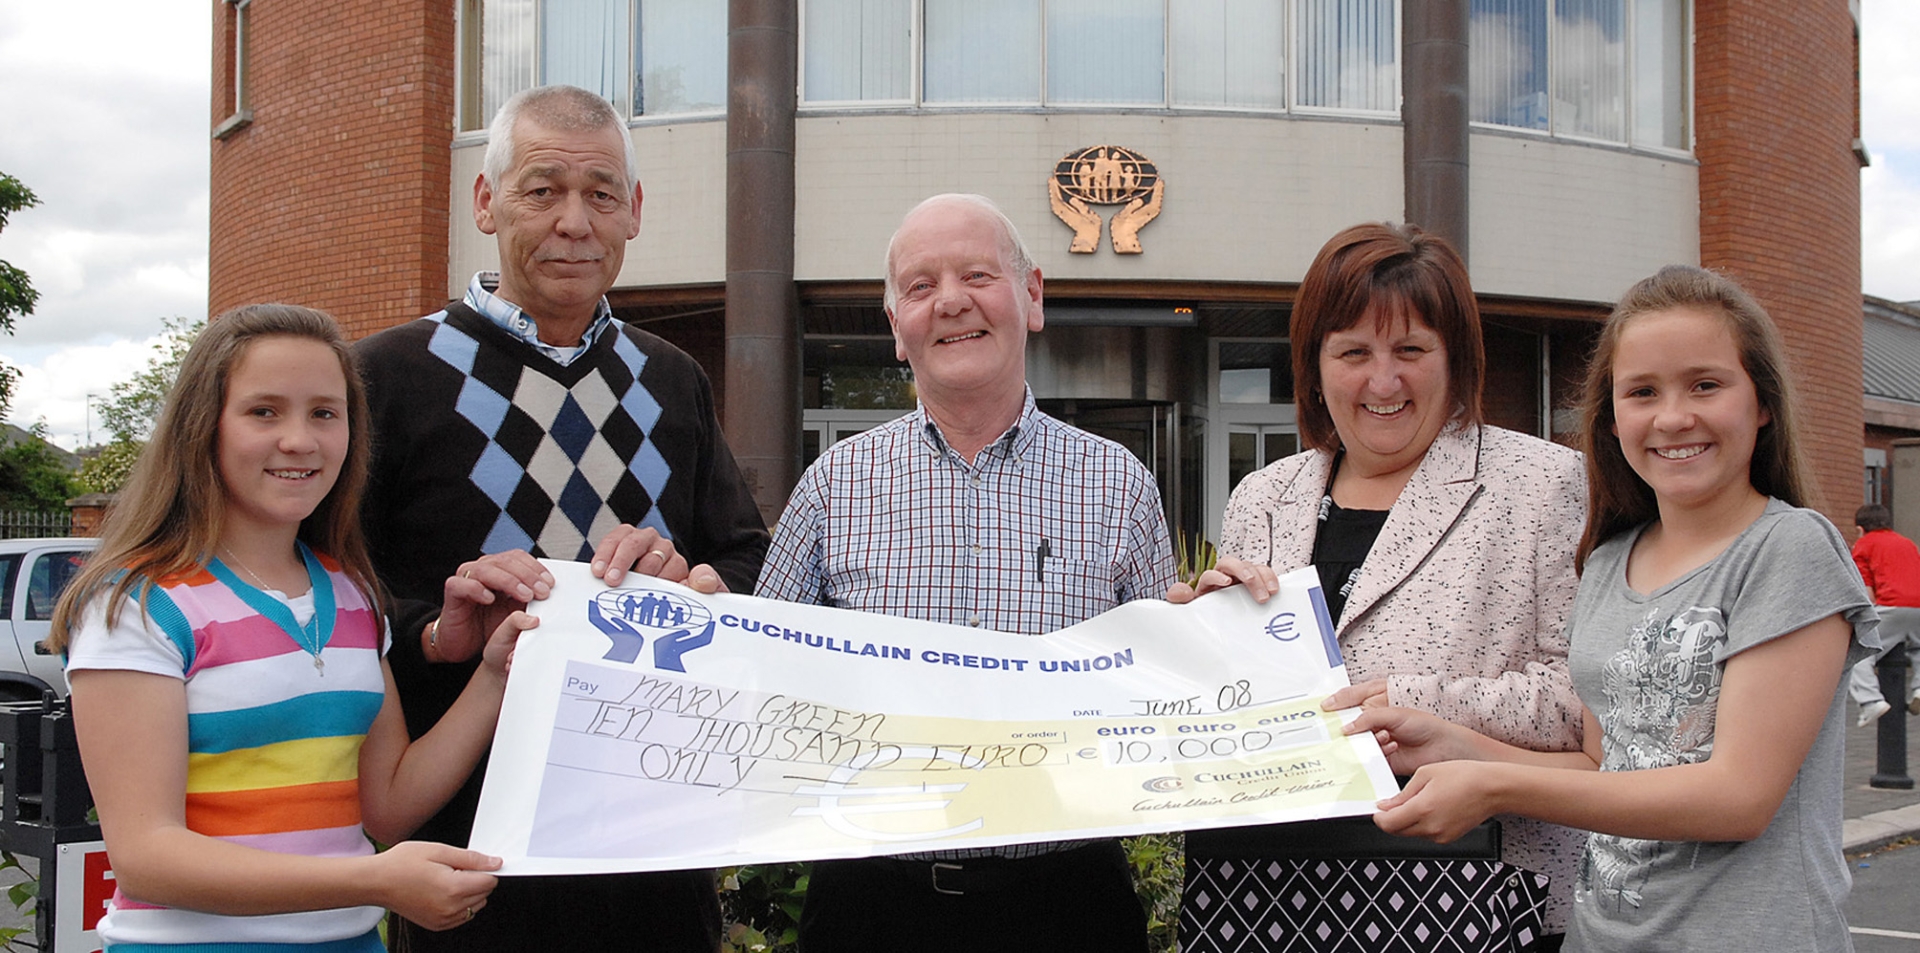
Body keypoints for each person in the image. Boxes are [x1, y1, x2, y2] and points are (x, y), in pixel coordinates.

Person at [1349, 265, 1877, 951]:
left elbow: (1739, 797)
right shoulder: (1606, 561)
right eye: (1643, 392)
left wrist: (1495, 785)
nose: (1673, 417)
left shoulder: (1790, 548)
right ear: (1612, 415)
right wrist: (1453, 743)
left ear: (1763, 403)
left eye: (1706, 385)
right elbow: (1605, 767)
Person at [353, 84, 769, 950]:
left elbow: (743, 557)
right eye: (542, 190)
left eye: (601, 194)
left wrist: (697, 587)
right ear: (486, 201)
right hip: (469, 852)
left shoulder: (672, 379)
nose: (574, 222)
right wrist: (435, 634)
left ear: (635, 211)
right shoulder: (384, 377)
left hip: (653, 845)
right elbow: (334, 590)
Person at [755, 193, 1176, 953]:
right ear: (896, 327)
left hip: (1069, 904)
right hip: (870, 907)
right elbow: (760, 679)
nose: (951, 301)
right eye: (921, 286)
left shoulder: (1120, 485)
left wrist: (1223, 631)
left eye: (978, 274)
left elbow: (1165, 694)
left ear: (1032, 296)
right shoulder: (832, 486)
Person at [47, 304, 534, 950]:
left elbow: (388, 804)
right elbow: (146, 855)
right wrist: (374, 879)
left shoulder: (354, 593)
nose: (300, 439)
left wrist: (496, 674)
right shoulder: (137, 603)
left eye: (325, 413)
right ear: (202, 427)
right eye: (264, 411)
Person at [1171, 221, 1588, 947]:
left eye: (1411, 350)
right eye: (1354, 352)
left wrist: (1415, 703)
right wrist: (1198, 643)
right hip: (1262, 891)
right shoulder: (1264, 495)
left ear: (1456, 359)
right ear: (1315, 365)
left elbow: (1583, 707)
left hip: (1468, 892)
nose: (1383, 381)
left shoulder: (1542, 483)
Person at [1847, 503, 1920, 724]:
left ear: (1860, 529)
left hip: (1892, 605)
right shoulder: (1907, 543)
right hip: (1918, 606)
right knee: (1918, 648)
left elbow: (1866, 591)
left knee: (1859, 653)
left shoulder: (1864, 544)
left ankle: (1870, 701)